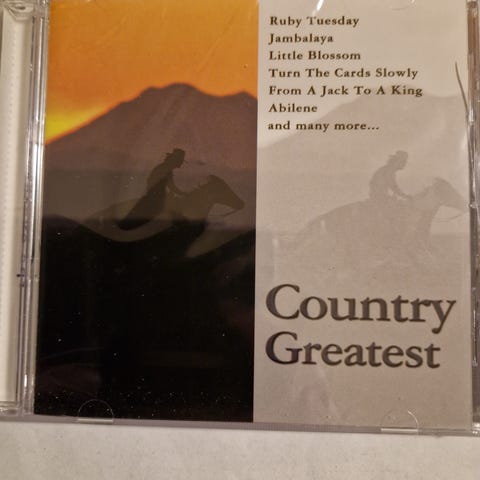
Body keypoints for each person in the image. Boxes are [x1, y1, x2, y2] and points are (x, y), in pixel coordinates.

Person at [119, 148, 187, 230]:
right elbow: (171, 186)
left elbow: (166, 185)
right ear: (175, 160)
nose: (181, 163)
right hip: (156, 197)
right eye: (180, 161)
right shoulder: (165, 169)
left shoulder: (165, 168)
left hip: (155, 195)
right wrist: (182, 193)